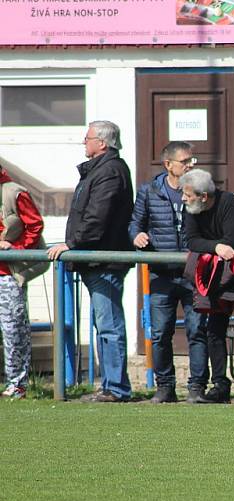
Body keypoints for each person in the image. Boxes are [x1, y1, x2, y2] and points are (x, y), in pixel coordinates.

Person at [48, 120, 134, 402]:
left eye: (87, 138)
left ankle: (116, 388)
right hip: (96, 261)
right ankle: (110, 386)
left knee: (108, 324)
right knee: (104, 323)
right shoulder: (101, 170)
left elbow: (98, 216)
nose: (84, 142)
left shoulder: (109, 171)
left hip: (104, 261)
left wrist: (73, 244)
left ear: (102, 143)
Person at [128, 141, 209, 404]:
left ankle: (197, 387)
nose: (190, 165)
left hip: (193, 272)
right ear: (168, 165)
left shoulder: (199, 186)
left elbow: (217, 215)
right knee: (160, 332)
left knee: (197, 331)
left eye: (191, 160)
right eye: (185, 161)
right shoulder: (150, 191)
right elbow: (134, 223)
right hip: (161, 273)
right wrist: (137, 235)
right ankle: (165, 387)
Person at [181, 168, 234, 404]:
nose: (183, 199)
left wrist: (214, 246)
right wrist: (216, 248)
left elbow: (233, 240)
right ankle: (220, 384)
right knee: (215, 328)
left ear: (204, 196)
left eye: (188, 195)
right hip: (216, 271)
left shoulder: (229, 202)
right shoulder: (190, 208)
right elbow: (191, 240)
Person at [0, 165, 45, 400]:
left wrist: (16, 249)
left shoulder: (14, 192)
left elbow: (35, 225)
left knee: (13, 328)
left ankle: (17, 384)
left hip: (8, 273)